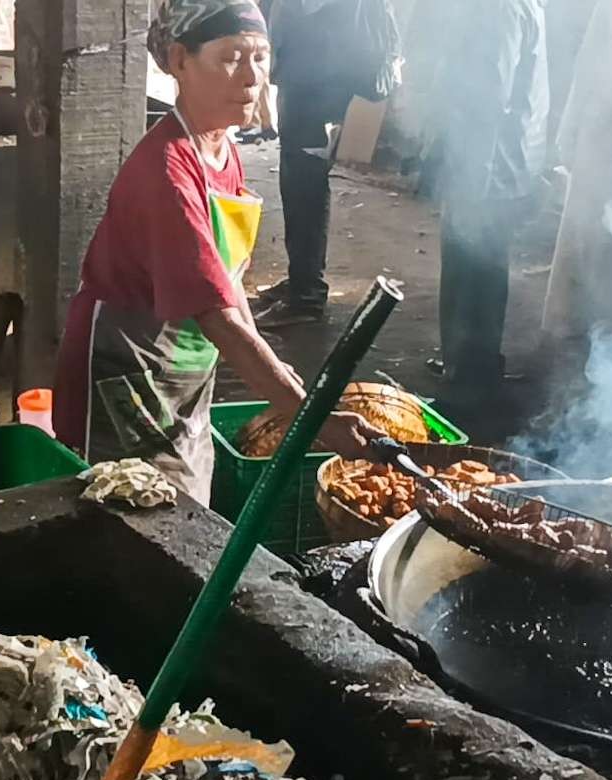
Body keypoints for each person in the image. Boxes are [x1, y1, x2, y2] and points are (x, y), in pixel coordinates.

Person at [52, 0, 381, 504]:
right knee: (134, 514)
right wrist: (309, 413)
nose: (252, 77)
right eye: (232, 57)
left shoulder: (224, 152)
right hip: (126, 372)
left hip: (181, 369)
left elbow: (225, 284)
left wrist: (273, 367)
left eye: (261, 57)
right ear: (179, 61)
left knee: (181, 504)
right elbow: (217, 316)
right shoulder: (166, 170)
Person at [419, 0, 550, 392]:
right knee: (482, 272)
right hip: (501, 162)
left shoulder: (498, 8)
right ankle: (469, 363)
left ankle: (467, 379)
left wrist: (468, 178)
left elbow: (486, 100)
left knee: (471, 273)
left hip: (487, 166)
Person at [252, 0, 375, 329]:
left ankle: (307, 295)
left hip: (319, 82)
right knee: (297, 181)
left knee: (306, 184)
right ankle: (300, 281)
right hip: (305, 78)